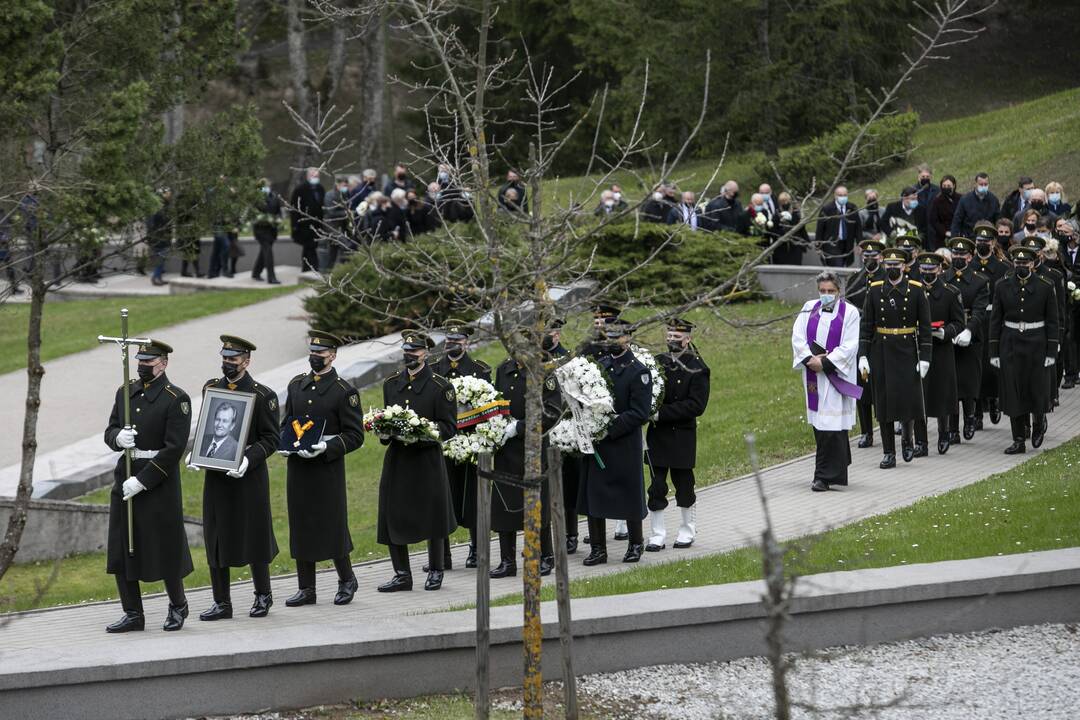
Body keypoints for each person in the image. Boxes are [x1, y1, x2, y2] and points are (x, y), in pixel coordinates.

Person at [103, 340, 192, 633]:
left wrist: (143, 481)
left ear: (163, 364)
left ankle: (178, 605)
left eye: (149, 363)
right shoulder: (125, 392)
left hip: (157, 480)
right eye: (140, 361)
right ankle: (132, 612)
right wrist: (118, 438)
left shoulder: (175, 399)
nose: (142, 367)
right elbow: (110, 429)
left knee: (164, 545)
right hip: (126, 471)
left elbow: (173, 449)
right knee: (123, 542)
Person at [190, 336, 280, 621]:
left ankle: (263, 594)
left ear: (247, 361)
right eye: (225, 357)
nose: (228, 362)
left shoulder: (263, 395)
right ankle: (221, 601)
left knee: (253, 535)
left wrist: (248, 459)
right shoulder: (212, 388)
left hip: (248, 477)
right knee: (216, 536)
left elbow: (271, 439)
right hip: (217, 477)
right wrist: (196, 453)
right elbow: (207, 426)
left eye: (234, 358)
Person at [281, 330, 364, 606]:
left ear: (333, 355)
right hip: (299, 467)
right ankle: (307, 587)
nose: (315, 357)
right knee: (301, 523)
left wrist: (327, 447)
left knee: (332, 523)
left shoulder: (343, 391)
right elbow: (287, 422)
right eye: (313, 352)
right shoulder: (296, 385)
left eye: (321, 353)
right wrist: (284, 444)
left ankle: (346, 579)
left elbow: (355, 435)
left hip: (326, 467)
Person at [376, 331, 458, 592]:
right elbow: (387, 417)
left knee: (432, 514)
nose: (409, 354)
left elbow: (448, 427)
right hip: (399, 459)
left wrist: (421, 434)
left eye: (415, 350)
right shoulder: (391, 384)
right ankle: (402, 574)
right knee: (392, 513)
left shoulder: (440, 387)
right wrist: (384, 432)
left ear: (426, 353)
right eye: (406, 349)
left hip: (426, 460)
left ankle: (435, 570)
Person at [579, 316, 651, 565]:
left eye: (616, 337)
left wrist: (608, 427)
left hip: (623, 442)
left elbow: (640, 412)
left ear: (628, 338)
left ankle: (635, 544)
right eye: (608, 337)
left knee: (629, 494)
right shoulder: (599, 366)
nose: (610, 342)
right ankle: (598, 548)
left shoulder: (638, 372)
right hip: (600, 442)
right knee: (595, 495)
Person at [489, 340, 562, 579]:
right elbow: (496, 401)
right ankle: (507, 560)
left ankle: (545, 556)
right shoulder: (503, 369)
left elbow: (552, 411)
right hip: (506, 449)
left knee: (536, 504)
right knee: (504, 506)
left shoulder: (544, 370)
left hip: (533, 446)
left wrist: (519, 427)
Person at [858, 247, 932, 468]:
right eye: (888, 265)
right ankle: (889, 452)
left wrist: (925, 356)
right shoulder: (875, 290)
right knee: (884, 402)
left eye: (896, 265)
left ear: (904, 266)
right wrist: (863, 355)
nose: (892, 269)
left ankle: (907, 440)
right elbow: (866, 326)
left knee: (906, 399)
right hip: (881, 349)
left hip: (907, 349)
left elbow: (925, 328)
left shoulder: (917, 291)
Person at [792, 272, 861, 491]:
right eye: (822, 291)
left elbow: (850, 345)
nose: (826, 295)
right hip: (813, 376)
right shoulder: (808, 308)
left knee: (832, 424)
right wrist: (809, 359)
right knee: (820, 423)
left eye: (831, 291)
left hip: (836, 376)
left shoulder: (849, 313)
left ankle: (824, 476)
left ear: (839, 291)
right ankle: (837, 465)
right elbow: (798, 337)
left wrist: (827, 362)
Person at [430, 320, 491, 570]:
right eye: (448, 340)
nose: (451, 345)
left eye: (457, 341)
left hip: (471, 443)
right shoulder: (434, 370)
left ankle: (476, 549)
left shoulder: (479, 370)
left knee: (473, 497)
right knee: (442, 498)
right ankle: (442, 555)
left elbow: (489, 406)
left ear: (466, 342)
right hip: (443, 443)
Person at [646, 318, 710, 547]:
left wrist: (661, 414)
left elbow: (696, 405)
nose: (671, 340)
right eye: (669, 336)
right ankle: (657, 533)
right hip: (658, 436)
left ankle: (687, 530)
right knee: (656, 486)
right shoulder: (658, 362)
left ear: (688, 339)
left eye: (677, 337)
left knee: (684, 485)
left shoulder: (697, 367)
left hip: (681, 435)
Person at [989, 245, 1059, 454]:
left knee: (1036, 388)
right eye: (1017, 263)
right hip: (1010, 342)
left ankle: (1038, 422)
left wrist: (1051, 352)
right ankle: (1018, 439)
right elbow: (995, 320)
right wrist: (993, 351)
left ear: (1032, 264)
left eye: (1025, 263)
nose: (1021, 266)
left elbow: (1053, 321)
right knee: (1013, 391)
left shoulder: (1046, 286)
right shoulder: (1002, 286)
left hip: (1036, 342)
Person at [915, 252, 965, 454]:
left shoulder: (950, 292)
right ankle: (921, 441)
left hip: (941, 349)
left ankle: (944, 433)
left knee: (941, 393)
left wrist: (946, 332)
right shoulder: (913, 290)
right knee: (918, 395)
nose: (928, 273)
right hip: (917, 347)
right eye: (924, 269)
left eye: (932, 269)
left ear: (939, 269)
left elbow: (959, 322)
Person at [943, 237, 990, 442]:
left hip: (971, 334)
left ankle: (970, 417)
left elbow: (980, 311)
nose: (958, 257)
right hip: (949, 333)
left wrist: (970, 330)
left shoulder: (980, 281)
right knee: (950, 382)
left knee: (969, 381)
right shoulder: (944, 278)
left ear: (970, 257)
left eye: (962, 254)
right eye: (955, 254)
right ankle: (952, 427)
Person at [542, 319, 582, 552]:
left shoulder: (570, 359)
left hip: (567, 425)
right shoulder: (535, 359)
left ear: (557, 334)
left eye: (549, 332)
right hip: (544, 427)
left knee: (569, 483)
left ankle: (571, 533)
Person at [845, 239, 886, 447]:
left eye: (874, 256)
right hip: (860, 337)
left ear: (881, 257)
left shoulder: (887, 278)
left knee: (882, 384)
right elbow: (848, 303)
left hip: (881, 337)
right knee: (860, 386)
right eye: (866, 256)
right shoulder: (855, 278)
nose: (870, 260)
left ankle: (888, 424)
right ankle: (866, 431)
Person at [972, 221, 1010, 429]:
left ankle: (994, 399)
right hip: (976, 322)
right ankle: (977, 411)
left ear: (993, 243)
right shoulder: (970, 267)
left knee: (993, 363)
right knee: (975, 366)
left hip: (995, 319)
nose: (982, 244)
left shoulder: (1003, 268)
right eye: (979, 241)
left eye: (985, 241)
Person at [290, 167, 326, 273]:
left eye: (317, 176)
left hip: (317, 223)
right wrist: (295, 225)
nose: (315, 177)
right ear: (308, 176)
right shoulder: (300, 189)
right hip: (304, 224)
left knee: (311, 246)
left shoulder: (320, 188)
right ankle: (311, 267)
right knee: (309, 246)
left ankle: (309, 267)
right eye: (313, 175)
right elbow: (294, 208)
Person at [816, 186, 859, 267]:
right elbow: (820, 228)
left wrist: (859, 243)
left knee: (845, 264)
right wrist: (818, 245)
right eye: (840, 195)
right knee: (837, 265)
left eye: (845, 195)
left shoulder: (852, 208)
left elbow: (858, 227)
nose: (843, 197)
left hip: (847, 243)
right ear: (835, 196)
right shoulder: (827, 209)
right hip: (831, 244)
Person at [251, 179, 282, 284]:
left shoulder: (274, 196)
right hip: (261, 230)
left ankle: (256, 273)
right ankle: (271, 277)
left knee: (263, 253)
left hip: (272, 230)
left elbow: (278, 211)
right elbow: (255, 214)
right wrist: (265, 218)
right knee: (268, 253)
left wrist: (278, 220)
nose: (266, 188)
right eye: (264, 186)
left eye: (268, 186)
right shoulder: (257, 198)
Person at [951, 172, 1000, 239]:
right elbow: (957, 220)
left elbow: (998, 221)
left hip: (988, 238)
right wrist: (955, 238)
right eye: (981, 184)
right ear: (975, 184)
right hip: (969, 237)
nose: (983, 186)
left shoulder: (994, 200)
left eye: (985, 184)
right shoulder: (965, 200)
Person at [146, 188, 173, 287]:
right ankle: (155, 278)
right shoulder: (158, 207)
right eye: (168, 193)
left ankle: (158, 277)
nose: (170, 195)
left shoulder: (165, 206)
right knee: (160, 258)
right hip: (158, 238)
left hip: (162, 237)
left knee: (162, 258)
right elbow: (152, 223)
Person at [772, 192, 808, 265]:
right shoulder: (777, 213)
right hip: (781, 246)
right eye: (783, 201)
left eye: (787, 201)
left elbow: (802, 228)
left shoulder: (796, 212)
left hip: (795, 246)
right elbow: (774, 229)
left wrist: (806, 242)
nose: (785, 203)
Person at [928, 175, 960, 250]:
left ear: (954, 185)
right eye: (944, 185)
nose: (946, 187)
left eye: (949, 185)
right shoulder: (937, 201)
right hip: (942, 237)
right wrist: (945, 232)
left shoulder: (960, 198)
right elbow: (933, 220)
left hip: (959, 234)